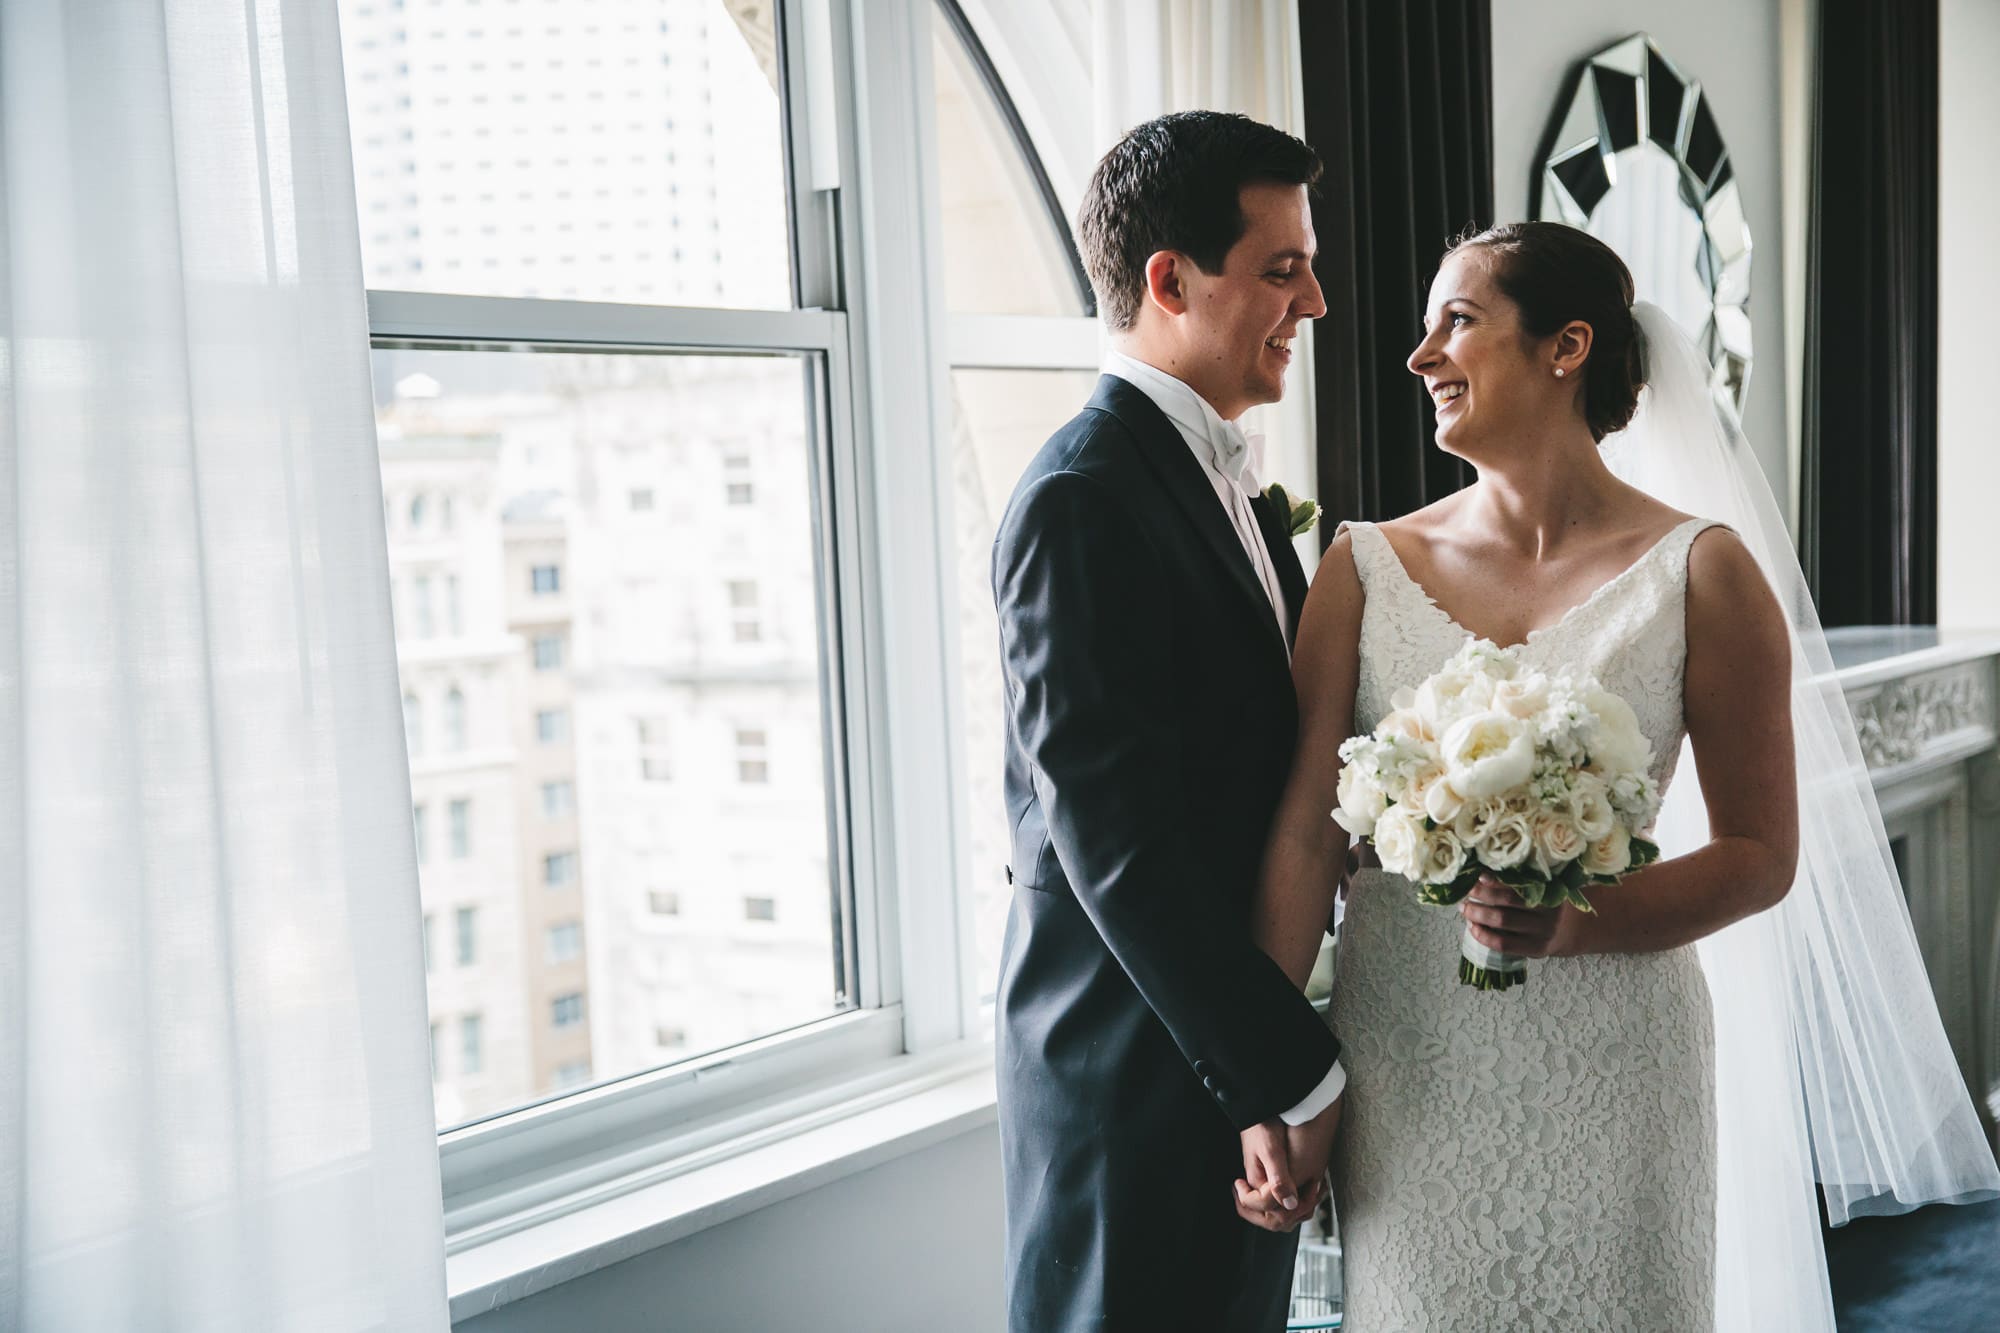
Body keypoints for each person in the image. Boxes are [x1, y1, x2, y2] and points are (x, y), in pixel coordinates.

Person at [1240, 220, 1999, 1328]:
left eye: (1455, 321)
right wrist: (1268, 1083)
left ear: (1565, 347)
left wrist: (1576, 920)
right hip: (1411, 1056)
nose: (1419, 358)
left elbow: (1757, 855)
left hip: (1618, 1061)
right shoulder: (1357, 569)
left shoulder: (1702, 572)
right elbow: (1307, 839)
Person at [989, 110, 1345, 1331]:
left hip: (1214, 1049)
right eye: (1281, 269)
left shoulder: (1220, 474)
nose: (1312, 301)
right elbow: (1116, 841)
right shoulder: (1081, 500)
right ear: (1168, 280)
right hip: (1126, 1070)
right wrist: (1284, 1070)